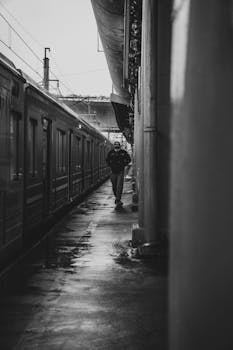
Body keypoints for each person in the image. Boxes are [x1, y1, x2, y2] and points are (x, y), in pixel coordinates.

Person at [106, 141, 131, 209]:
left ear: (119, 146)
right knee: (114, 186)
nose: (116, 146)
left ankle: (118, 199)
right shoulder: (111, 153)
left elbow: (129, 159)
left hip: (120, 171)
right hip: (113, 172)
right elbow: (107, 160)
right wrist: (110, 165)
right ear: (114, 146)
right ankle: (117, 197)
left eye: (117, 145)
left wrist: (123, 164)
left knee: (119, 186)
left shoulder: (123, 152)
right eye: (115, 145)